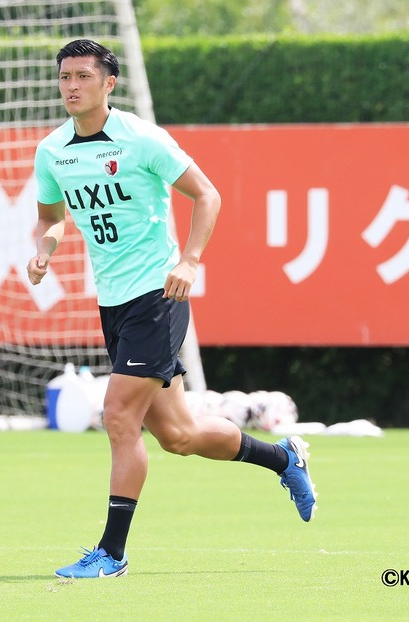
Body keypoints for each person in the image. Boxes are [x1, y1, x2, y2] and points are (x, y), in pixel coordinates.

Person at [27, 39, 317, 579]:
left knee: (117, 417)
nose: (71, 86)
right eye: (65, 76)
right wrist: (44, 249)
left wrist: (190, 261)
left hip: (157, 296)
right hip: (112, 302)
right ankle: (285, 459)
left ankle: (111, 554)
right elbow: (51, 217)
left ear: (108, 84)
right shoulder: (53, 150)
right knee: (179, 435)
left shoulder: (141, 139)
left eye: (83, 76)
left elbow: (207, 195)